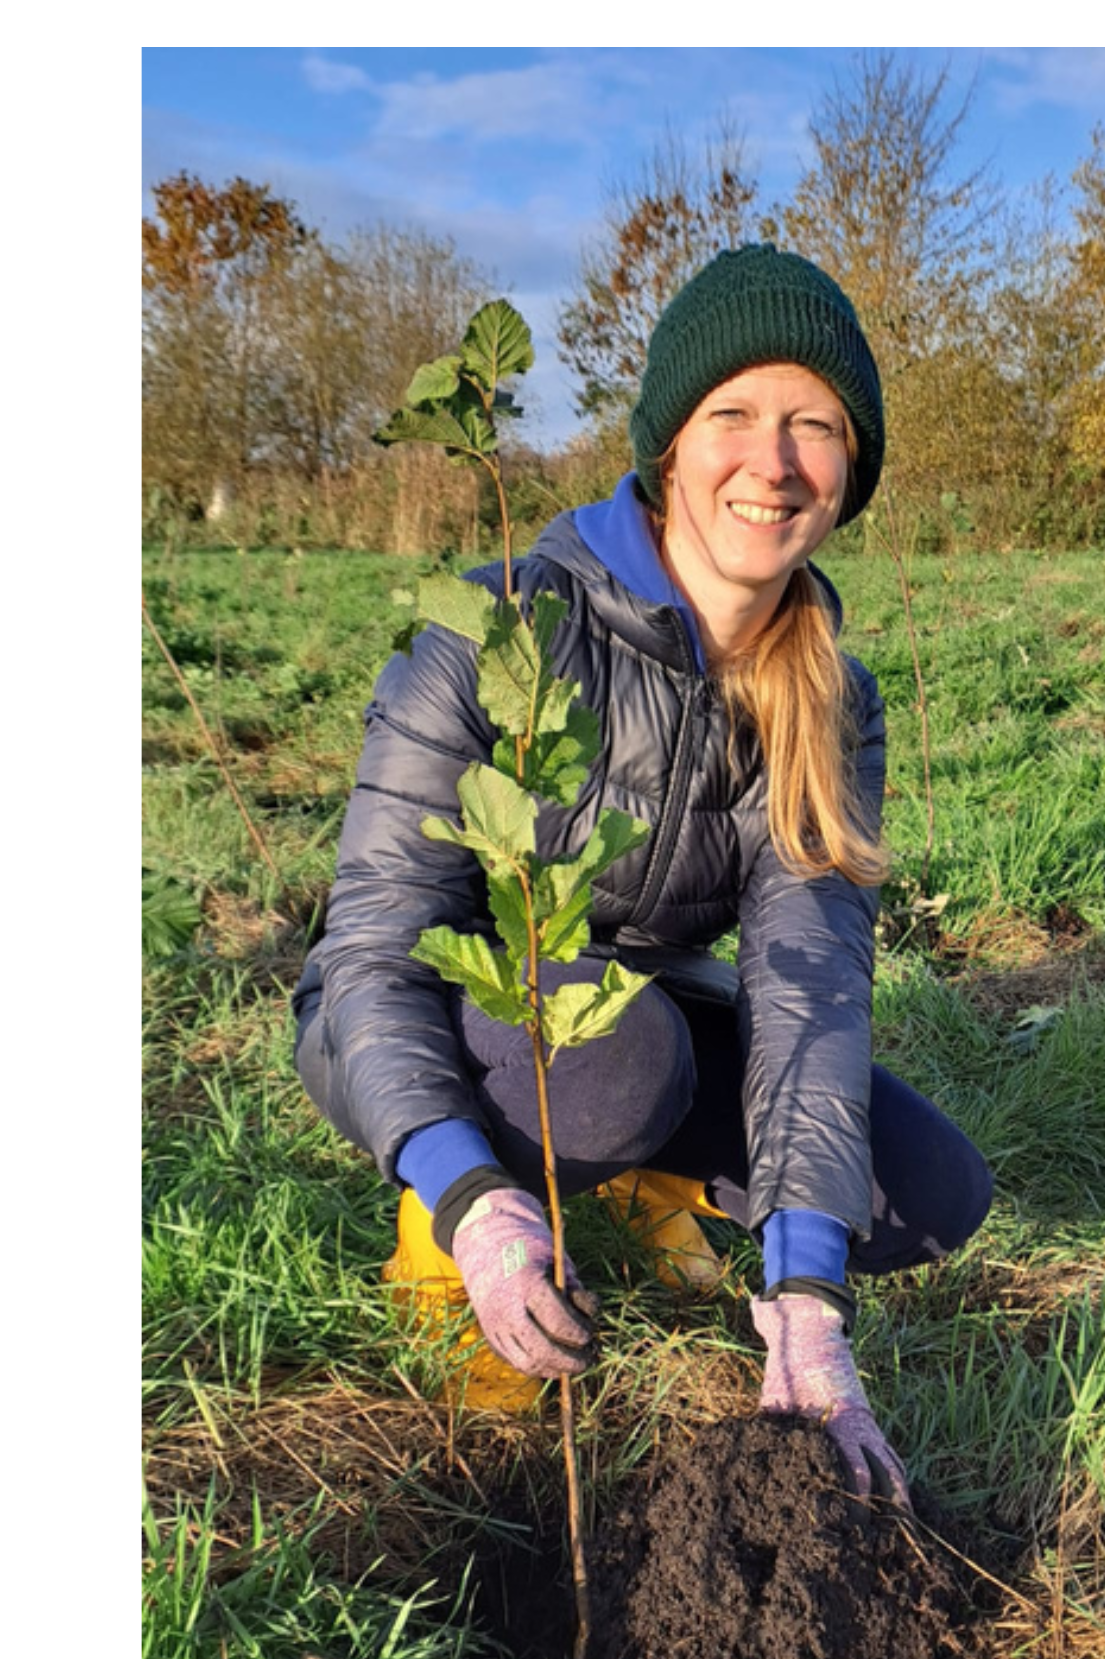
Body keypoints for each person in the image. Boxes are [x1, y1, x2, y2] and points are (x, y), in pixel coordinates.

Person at [292, 244, 993, 1508]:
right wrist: (464, 1193)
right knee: (623, 1062)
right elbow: (370, 950)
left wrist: (804, 1293)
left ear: (850, 468)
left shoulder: (829, 700)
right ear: (670, 444)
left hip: (649, 1017)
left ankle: (654, 1193)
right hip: (455, 1019)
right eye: (733, 415)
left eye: (814, 427)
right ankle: (457, 1234)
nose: (771, 464)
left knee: (926, 1193)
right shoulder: (496, 631)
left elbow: (806, 990)